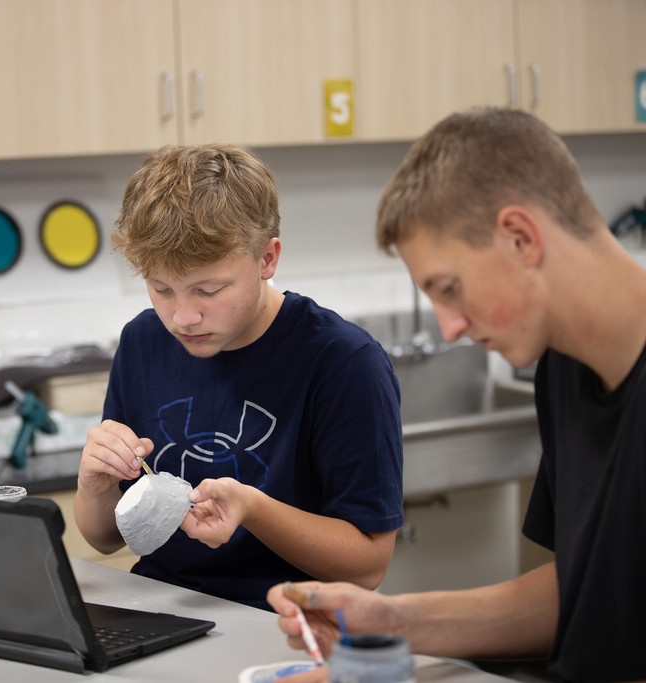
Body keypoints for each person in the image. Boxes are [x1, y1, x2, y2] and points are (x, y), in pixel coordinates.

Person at [268, 107, 646, 683]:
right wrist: (390, 620)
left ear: (521, 237)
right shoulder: (563, 368)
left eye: (450, 289)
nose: (449, 328)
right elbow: (585, 590)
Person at [74, 144, 404, 610]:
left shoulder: (343, 363)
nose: (182, 317)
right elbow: (105, 538)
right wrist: (95, 486)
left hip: (282, 620)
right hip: (159, 607)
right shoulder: (143, 342)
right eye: (161, 289)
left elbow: (367, 566)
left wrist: (253, 510)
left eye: (209, 290)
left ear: (267, 260)